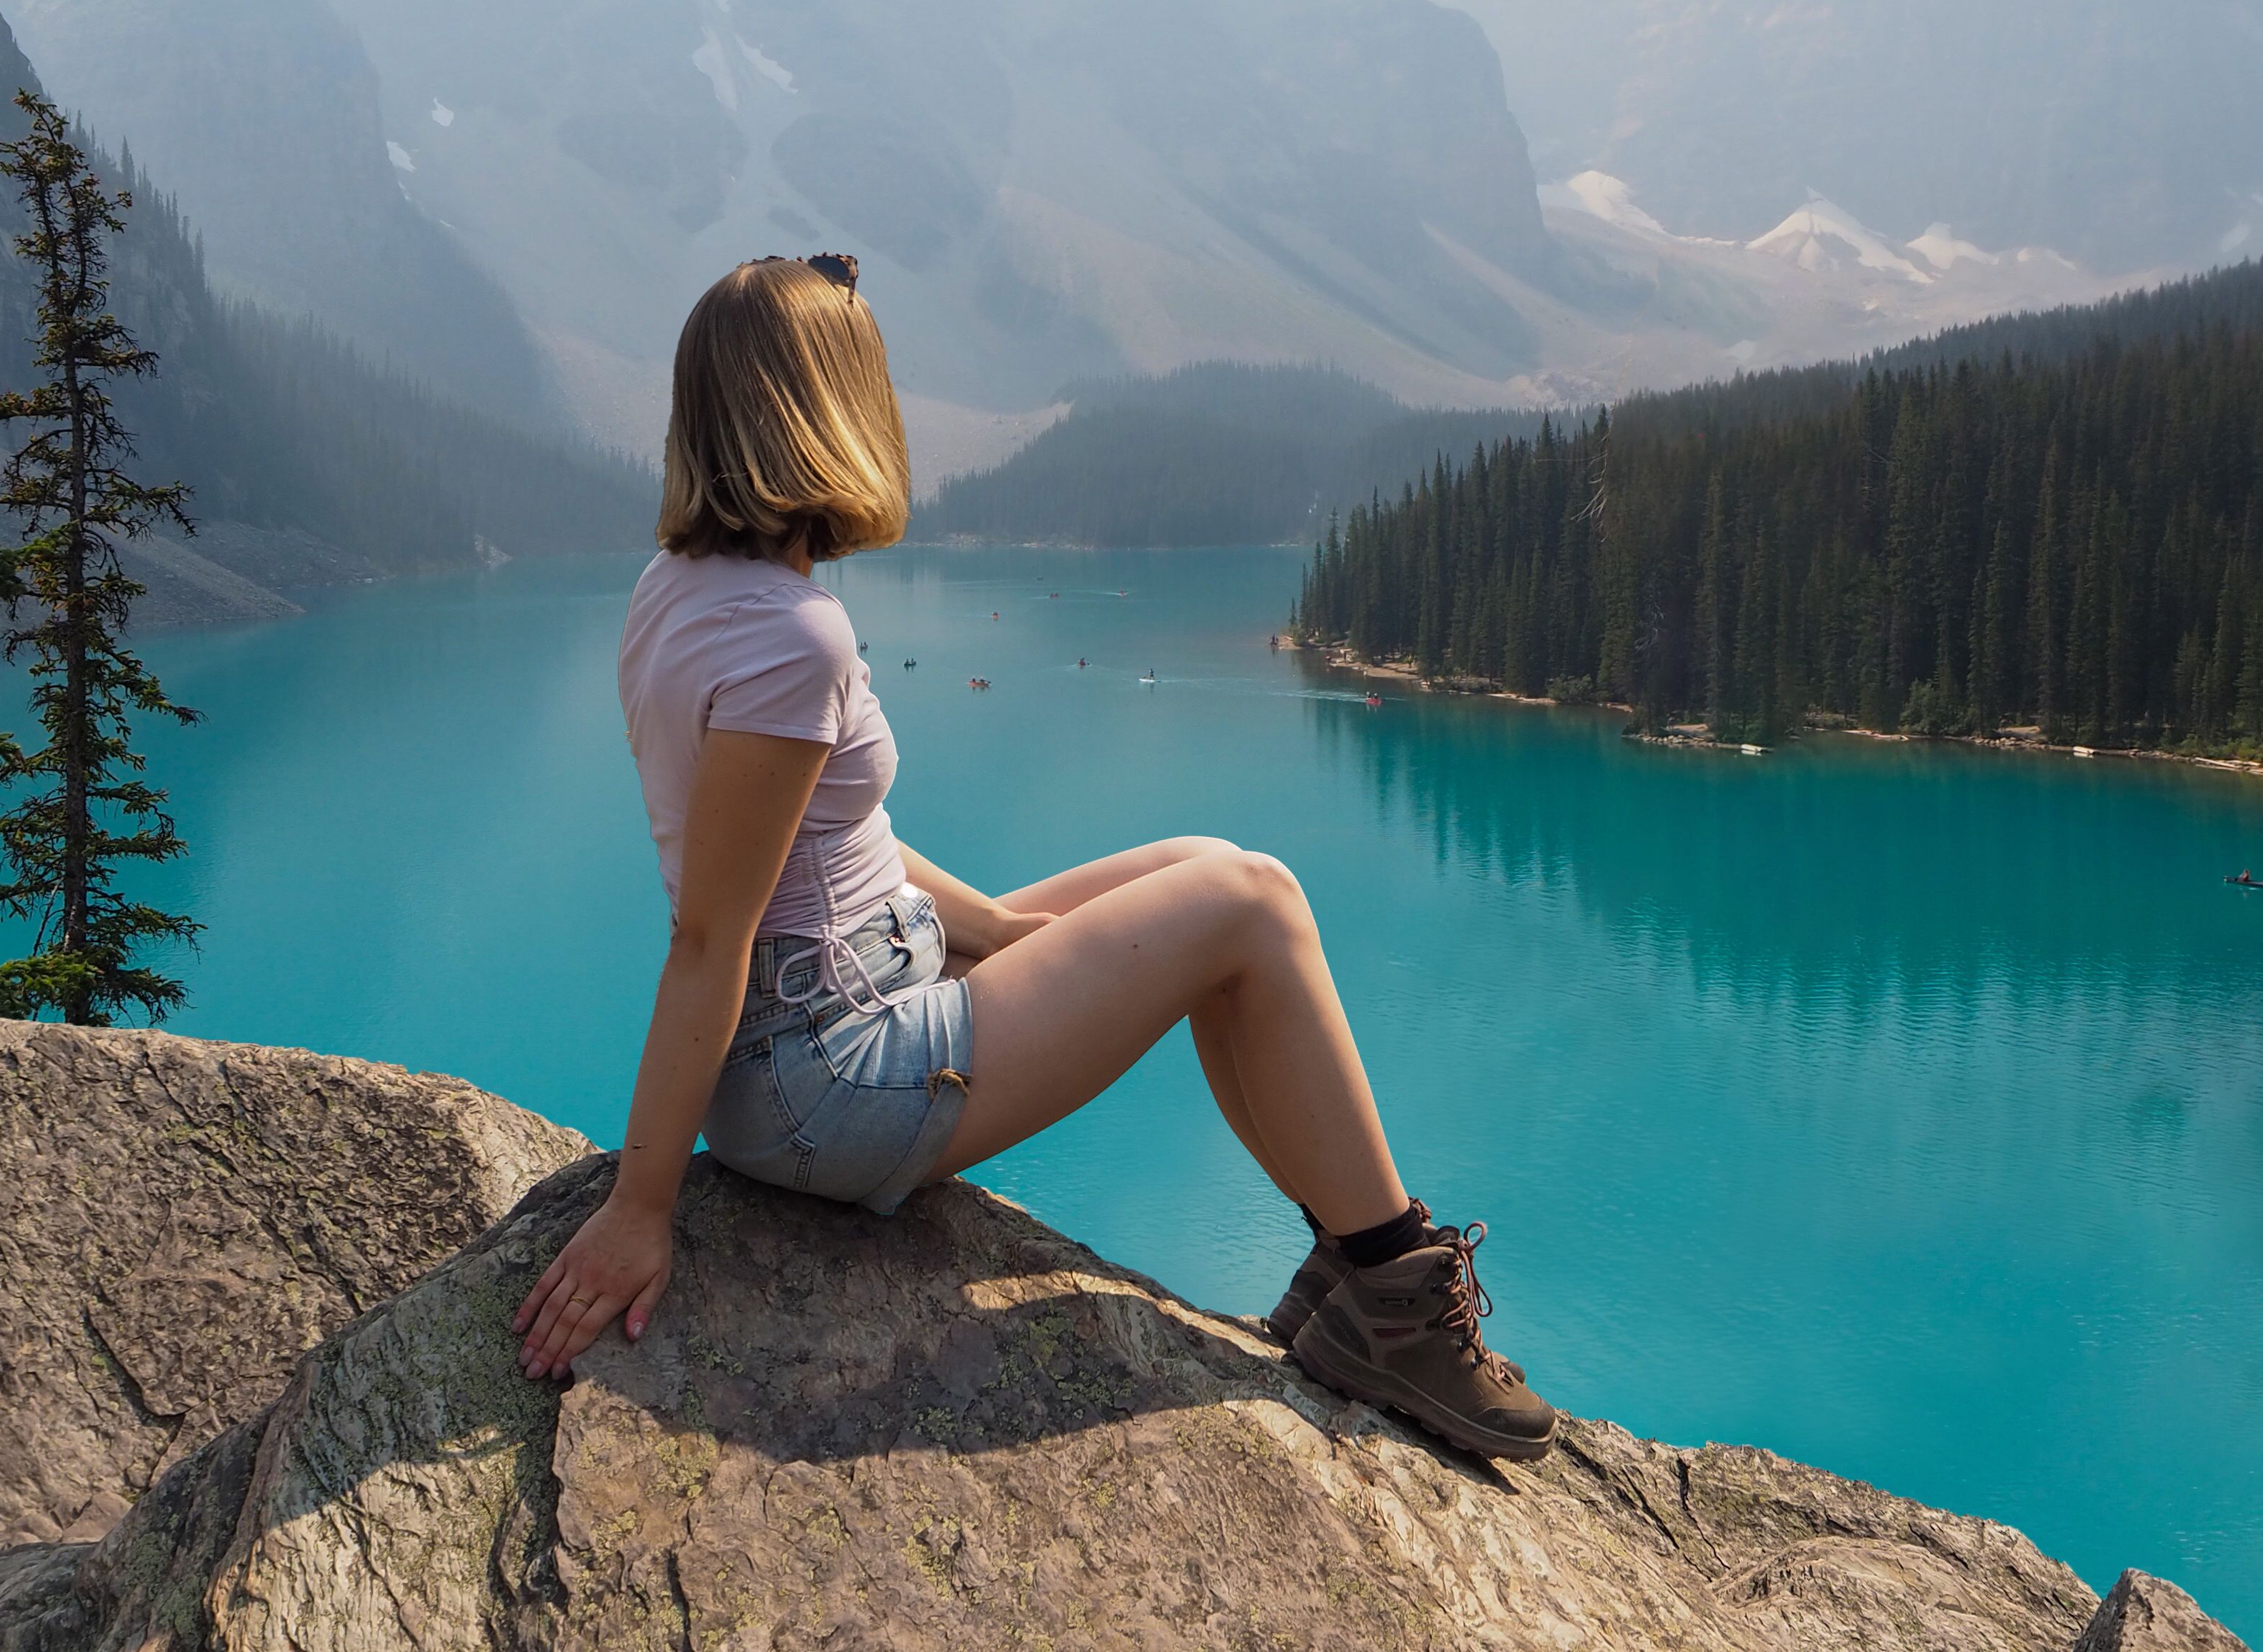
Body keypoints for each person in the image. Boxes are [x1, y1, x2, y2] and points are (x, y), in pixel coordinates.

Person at [509, 254, 1558, 1463]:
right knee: (1252, 903)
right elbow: (710, 935)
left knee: (1206, 861)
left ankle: (1343, 1259)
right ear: (829, 409)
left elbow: (832, 843)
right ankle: (1396, 1293)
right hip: (830, 1078)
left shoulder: (678, 588)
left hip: (845, 993)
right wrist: (643, 1208)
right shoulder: (793, 638)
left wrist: (1000, 934)